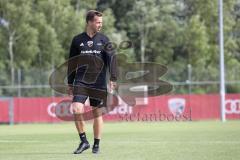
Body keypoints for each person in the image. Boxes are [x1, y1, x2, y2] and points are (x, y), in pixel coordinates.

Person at [67, 10, 117, 154]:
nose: (100, 25)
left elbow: (112, 60)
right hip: (81, 82)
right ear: (89, 22)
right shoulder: (77, 40)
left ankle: (96, 144)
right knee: (76, 109)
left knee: (97, 114)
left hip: (99, 82)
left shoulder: (104, 40)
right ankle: (84, 141)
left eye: (101, 22)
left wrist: (113, 78)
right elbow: (71, 63)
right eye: (98, 22)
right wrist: (70, 82)